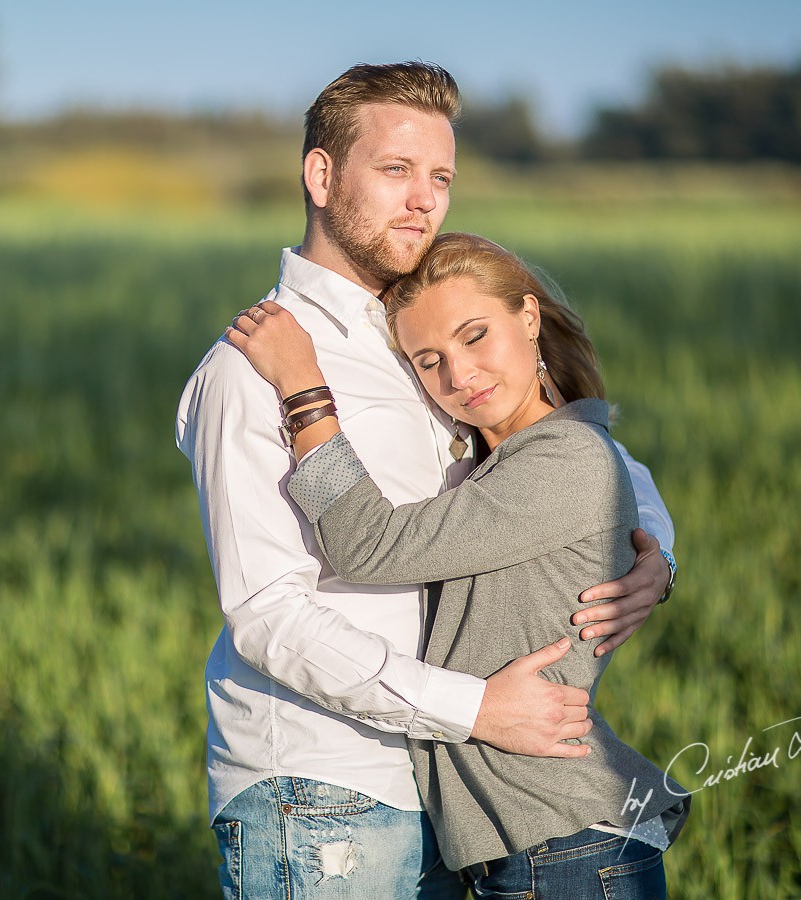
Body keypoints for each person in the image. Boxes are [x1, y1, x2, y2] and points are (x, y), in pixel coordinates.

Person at [175, 62, 678, 898]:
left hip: (455, 790)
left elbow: (585, 457)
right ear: (322, 175)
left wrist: (652, 551)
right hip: (325, 786)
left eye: (440, 176)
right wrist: (472, 708)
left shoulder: (427, 334)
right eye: (397, 170)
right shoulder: (254, 366)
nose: (425, 200)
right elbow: (267, 614)